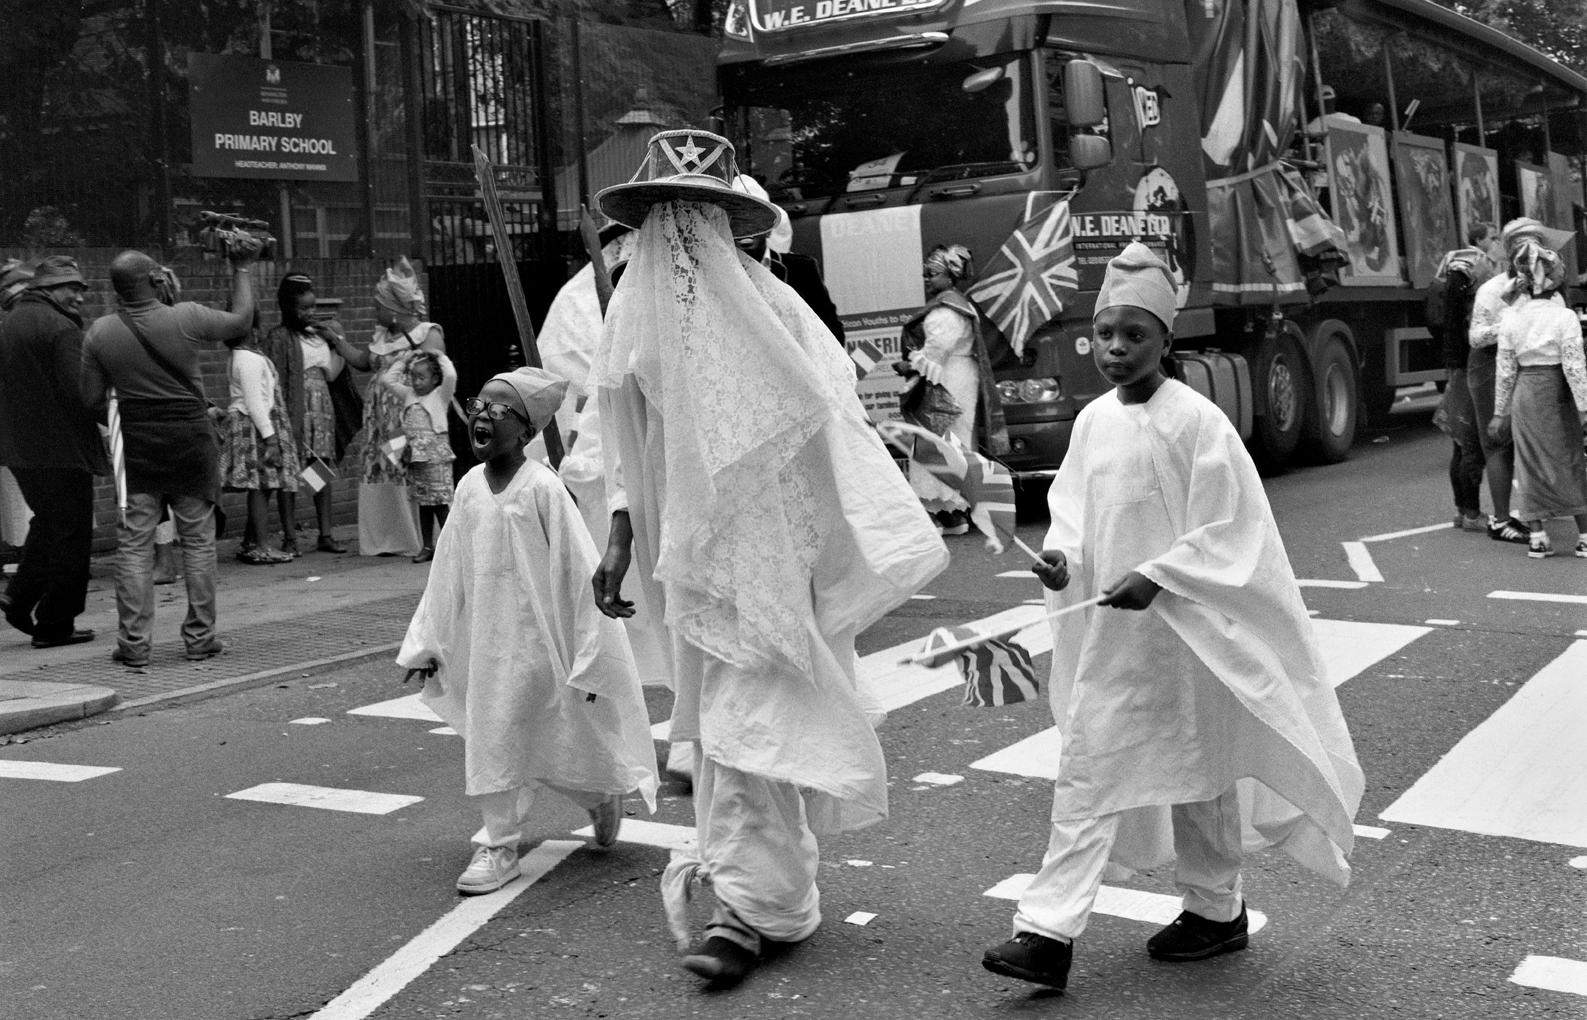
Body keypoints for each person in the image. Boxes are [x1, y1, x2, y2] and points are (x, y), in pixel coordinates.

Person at [590, 129, 948, 988]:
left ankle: (747, 911)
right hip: (692, 565)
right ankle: (767, 899)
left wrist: (811, 551)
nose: (679, 237)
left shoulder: (777, 311)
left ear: (725, 226)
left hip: (776, 562)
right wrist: (618, 539)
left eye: (697, 218)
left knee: (758, 725)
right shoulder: (629, 320)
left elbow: (836, 436)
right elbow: (619, 445)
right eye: (666, 218)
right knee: (723, 734)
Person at [980, 242, 1362, 991]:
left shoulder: (1198, 422)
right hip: (1115, 640)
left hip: (1190, 636)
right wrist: (1062, 559)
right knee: (1088, 766)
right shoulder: (1090, 422)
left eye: (1135, 334)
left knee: (1202, 770)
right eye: (1105, 334)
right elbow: (1074, 514)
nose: (1116, 349)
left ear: (1165, 338)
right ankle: (1047, 933)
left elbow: (1232, 530)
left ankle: (1214, 912)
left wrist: (1159, 576)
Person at [397, 367, 659, 895]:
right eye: (478, 404)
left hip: (542, 646)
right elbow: (446, 573)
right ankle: (499, 843)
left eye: (499, 409)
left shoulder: (543, 487)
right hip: (490, 646)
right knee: (499, 736)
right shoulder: (469, 488)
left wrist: (592, 651)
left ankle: (599, 793)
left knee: (555, 738)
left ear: (526, 432)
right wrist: (428, 645)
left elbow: (575, 567)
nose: (481, 415)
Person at [536, 223, 687, 779]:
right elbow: (603, 401)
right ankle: (615, 754)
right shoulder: (592, 302)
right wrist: (610, 514)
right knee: (633, 620)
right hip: (630, 490)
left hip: (712, 504)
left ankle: (696, 737)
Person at [80, 246, 258, 668]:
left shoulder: (101, 332)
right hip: (190, 439)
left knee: (134, 544)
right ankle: (200, 640)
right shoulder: (187, 317)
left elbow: (89, 398)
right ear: (154, 280)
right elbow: (242, 321)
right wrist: (241, 268)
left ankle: (135, 645)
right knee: (197, 542)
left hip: (137, 444)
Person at [0, 256, 107, 647]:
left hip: (17, 446)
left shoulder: (9, 323)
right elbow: (81, 393)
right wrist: (112, 417)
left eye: (80, 288)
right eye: (70, 288)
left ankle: (19, 595)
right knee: (72, 534)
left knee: (49, 521)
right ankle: (55, 623)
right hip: (60, 448)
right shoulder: (60, 328)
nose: (78, 296)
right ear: (45, 288)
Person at [1488, 237, 1587, 559]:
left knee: (1529, 464)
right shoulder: (1564, 318)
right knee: (1569, 461)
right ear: (1555, 281)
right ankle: (1584, 537)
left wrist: (1499, 413)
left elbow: (1505, 371)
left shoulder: (1512, 319)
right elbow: (1574, 366)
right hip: (1557, 392)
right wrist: (1584, 407)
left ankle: (1538, 538)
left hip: (1524, 394)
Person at [898, 243, 1007, 535]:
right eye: (925, 273)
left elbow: (936, 350)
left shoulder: (948, 309)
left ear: (949, 276)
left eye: (931, 273)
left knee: (937, 442)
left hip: (948, 380)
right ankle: (953, 514)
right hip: (957, 378)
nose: (926, 279)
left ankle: (942, 512)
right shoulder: (958, 303)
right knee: (953, 442)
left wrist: (909, 365)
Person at [1469, 218, 1565, 544]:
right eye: (1523, 246)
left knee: (1536, 440)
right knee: (1499, 442)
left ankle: (1538, 511)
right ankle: (1500, 519)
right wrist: (1515, 325)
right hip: (1489, 366)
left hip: (1531, 368)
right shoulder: (1494, 289)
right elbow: (1476, 337)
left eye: (1537, 244)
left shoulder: (1550, 289)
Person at [262, 274, 364, 557]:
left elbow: (335, 372)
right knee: (290, 472)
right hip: (293, 407)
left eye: (312, 306)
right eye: (302, 308)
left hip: (321, 408)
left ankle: (325, 533)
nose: (309, 313)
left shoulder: (322, 334)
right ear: (287, 308)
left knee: (319, 469)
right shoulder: (279, 337)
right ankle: (290, 537)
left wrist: (335, 339)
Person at [349, 257, 445, 557]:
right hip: (379, 421)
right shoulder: (382, 336)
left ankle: (417, 539)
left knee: (406, 468)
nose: (375, 312)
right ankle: (383, 538)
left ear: (393, 309)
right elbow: (364, 362)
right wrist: (337, 339)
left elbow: (435, 376)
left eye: (379, 306)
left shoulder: (427, 333)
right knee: (381, 468)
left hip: (409, 420)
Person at [1430, 229, 1499, 530]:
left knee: (1460, 442)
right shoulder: (1476, 266)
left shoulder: (1452, 264)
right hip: (1472, 363)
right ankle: (1471, 513)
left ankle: (1463, 510)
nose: (1496, 243)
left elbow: (1449, 322)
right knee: (1472, 443)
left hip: (1458, 365)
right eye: (1494, 237)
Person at [220, 314, 301, 565]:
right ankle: (261, 546)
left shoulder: (236, 356)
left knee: (261, 486)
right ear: (252, 331)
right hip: (257, 426)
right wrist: (271, 437)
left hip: (251, 424)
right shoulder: (251, 359)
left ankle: (250, 542)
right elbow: (256, 403)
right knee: (261, 487)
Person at [731, 176, 845, 345]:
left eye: (752, 221)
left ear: (769, 230)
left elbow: (831, 331)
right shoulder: (719, 272)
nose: (745, 231)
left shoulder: (801, 269)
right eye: (736, 222)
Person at [379, 348, 457, 562]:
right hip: (416, 458)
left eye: (421, 377)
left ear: (434, 379)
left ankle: (452, 545)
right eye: (413, 377)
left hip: (436, 457)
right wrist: (404, 361)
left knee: (440, 503)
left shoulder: (440, 395)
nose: (416, 381)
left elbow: (450, 374)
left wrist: (440, 356)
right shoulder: (408, 395)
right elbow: (388, 380)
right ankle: (427, 547)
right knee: (423, 503)